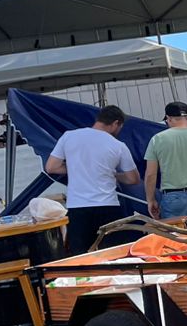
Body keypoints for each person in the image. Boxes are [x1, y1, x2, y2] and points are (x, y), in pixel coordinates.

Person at [45, 105, 141, 257]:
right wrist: (113, 175)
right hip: (108, 207)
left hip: (78, 207)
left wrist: (76, 168)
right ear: (116, 123)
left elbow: (51, 167)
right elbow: (133, 178)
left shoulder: (69, 136)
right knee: (112, 255)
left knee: (81, 256)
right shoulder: (118, 145)